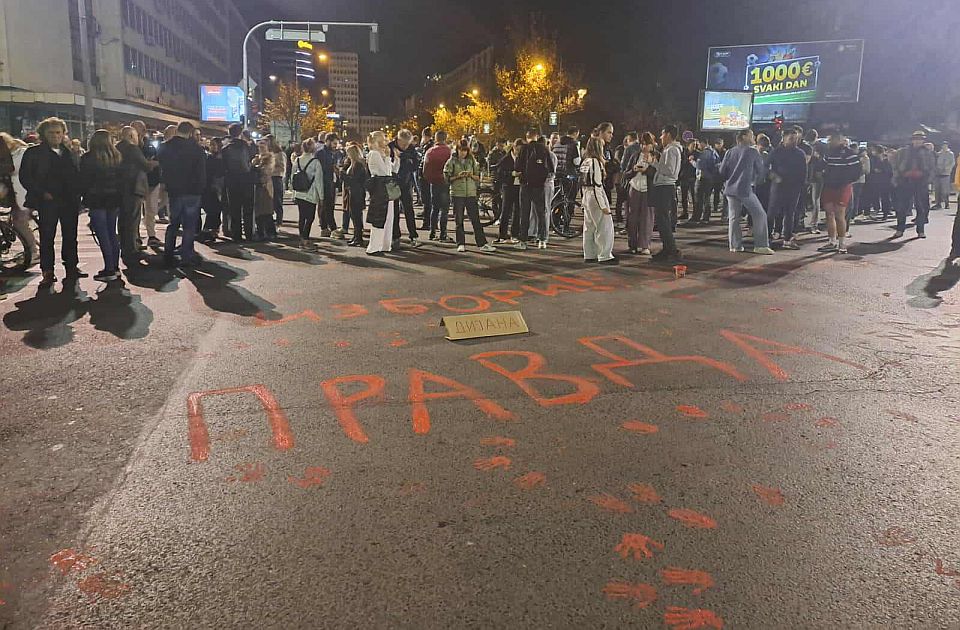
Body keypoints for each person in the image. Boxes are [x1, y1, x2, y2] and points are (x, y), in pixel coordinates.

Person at [18, 117, 84, 286]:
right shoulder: (33, 153)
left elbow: (78, 175)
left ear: (63, 134)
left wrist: (78, 194)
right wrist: (41, 193)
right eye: (51, 133)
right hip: (47, 201)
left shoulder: (70, 152)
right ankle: (47, 271)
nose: (55, 136)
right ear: (43, 134)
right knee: (47, 236)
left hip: (69, 201)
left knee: (71, 235)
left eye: (58, 132)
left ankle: (71, 266)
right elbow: (25, 177)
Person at [157, 121, 206, 267]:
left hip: (175, 190)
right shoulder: (197, 150)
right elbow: (201, 173)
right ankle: (186, 255)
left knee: (174, 223)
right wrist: (200, 189)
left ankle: (168, 253)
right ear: (190, 132)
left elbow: (162, 167)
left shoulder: (165, 147)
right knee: (189, 225)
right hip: (192, 191)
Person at [78, 130, 124, 281]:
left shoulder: (88, 158)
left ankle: (109, 268)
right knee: (112, 233)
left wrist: (83, 198)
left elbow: (83, 181)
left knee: (102, 234)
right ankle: (115, 267)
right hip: (114, 199)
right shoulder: (116, 157)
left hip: (96, 200)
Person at [719, 129, 774, 255]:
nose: (753, 137)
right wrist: (757, 181)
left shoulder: (729, 151)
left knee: (734, 218)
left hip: (730, 189)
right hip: (744, 188)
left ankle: (735, 245)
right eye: (751, 135)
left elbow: (722, 170)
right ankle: (761, 245)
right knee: (760, 214)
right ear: (744, 137)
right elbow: (760, 171)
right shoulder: (752, 151)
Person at [444, 139, 496, 254]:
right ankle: (461, 243)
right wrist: (458, 176)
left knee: (475, 219)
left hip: (471, 193)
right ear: (457, 150)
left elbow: (478, 176)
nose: (463, 153)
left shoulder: (471, 161)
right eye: (461, 150)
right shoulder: (451, 161)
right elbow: (447, 178)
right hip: (458, 193)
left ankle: (482, 243)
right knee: (459, 220)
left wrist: (471, 175)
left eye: (465, 151)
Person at [115, 126, 156, 266]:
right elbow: (145, 166)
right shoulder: (132, 148)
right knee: (132, 220)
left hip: (121, 189)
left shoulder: (117, 147)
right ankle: (132, 249)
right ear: (131, 136)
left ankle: (126, 247)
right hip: (133, 189)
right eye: (137, 136)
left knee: (123, 220)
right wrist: (153, 163)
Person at [817, 132, 862, 254]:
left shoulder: (850, 154)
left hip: (842, 187)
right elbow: (821, 166)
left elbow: (857, 171)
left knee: (839, 214)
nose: (830, 142)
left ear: (840, 140)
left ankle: (842, 244)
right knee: (829, 214)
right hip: (829, 186)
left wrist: (845, 181)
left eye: (832, 140)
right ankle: (832, 241)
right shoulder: (829, 153)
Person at [767, 128, 808, 249]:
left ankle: (787, 239)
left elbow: (804, 171)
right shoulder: (776, 152)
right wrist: (773, 176)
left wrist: (802, 186)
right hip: (778, 187)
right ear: (783, 138)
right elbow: (766, 167)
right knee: (772, 213)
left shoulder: (800, 153)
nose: (794, 141)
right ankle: (767, 237)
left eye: (796, 139)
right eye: (791, 139)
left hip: (793, 188)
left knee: (790, 214)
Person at [1, 132, 39, 261]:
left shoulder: (20, 153)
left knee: (19, 223)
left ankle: (33, 251)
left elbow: (14, 170)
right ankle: (32, 249)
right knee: (19, 222)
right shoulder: (14, 153)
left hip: (21, 192)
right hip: (16, 193)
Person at [893, 130, 936, 239]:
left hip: (921, 182)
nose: (917, 141)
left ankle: (920, 231)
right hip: (905, 181)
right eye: (916, 139)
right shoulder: (904, 151)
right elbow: (896, 164)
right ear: (912, 140)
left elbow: (932, 168)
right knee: (902, 207)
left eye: (920, 139)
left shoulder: (927, 152)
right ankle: (900, 229)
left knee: (921, 207)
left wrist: (927, 178)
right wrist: (900, 175)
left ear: (923, 141)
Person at [580, 136, 616, 265]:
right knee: (604, 226)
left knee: (589, 227)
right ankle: (605, 255)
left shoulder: (585, 161)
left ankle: (589, 254)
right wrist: (603, 205)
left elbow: (583, 183)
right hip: (596, 195)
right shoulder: (595, 162)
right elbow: (596, 185)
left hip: (587, 195)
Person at [651, 125, 683, 261]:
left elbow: (670, 170)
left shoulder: (671, 150)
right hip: (665, 186)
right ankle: (668, 248)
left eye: (662, 134)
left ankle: (671, 250)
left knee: (663, 220)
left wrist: (655, 163)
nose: (660, 137)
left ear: (668, 135)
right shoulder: (670, 150)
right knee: (662, 220)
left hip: (665, 186)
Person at [365, 131, 399, 256]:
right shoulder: (374, 154)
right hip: (380, 187)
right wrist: (386, 158)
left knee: (389, 217)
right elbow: (384, 171)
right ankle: (374, 246)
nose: (386, 141)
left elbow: (393, 170)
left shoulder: (381, 154)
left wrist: (395, 158)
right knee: (380, 217)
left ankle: (385, 244)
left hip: (386, 186)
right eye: (384, 139)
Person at [517, 134, 553, 250]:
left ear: (527, 137)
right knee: (541, 213)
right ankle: (542, 240)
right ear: (536, 137)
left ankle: (523, 240)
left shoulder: (524, 149)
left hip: (526, 184)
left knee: (525, 213)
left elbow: (517, 166)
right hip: (539, 185)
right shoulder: (543, 149)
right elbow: (550, 169)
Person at [221, 123, 255, 242]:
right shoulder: (246, 146)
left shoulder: (225, 149)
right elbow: (251, 160)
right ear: (240, 133)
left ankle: (237, 235)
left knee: (234, 209)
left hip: (232, 181)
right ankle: (249, 233)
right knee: (248, 209)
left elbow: (223, 167)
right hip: (246, 180)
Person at [388, 129, 422, 248]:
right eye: (403, 144)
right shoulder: (390, 147)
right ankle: (395, 236)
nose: (405, 146)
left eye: (407, 144)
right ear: (398, 139)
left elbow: (415, 166)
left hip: (406, 182)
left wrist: (406, 158)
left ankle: (413, 235)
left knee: (409, 209)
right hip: (393, 182)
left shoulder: (411, 149)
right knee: (394, 211)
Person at [624, 132, 657, 255]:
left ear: (652, 145)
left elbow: (657, 174)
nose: (644, 147)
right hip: (635, 187)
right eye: (642, 144)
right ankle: (632, 245)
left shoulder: (656, 156)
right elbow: (626, 173)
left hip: (649, 190)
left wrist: (647, 169)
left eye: (647, 144)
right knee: (632, 218)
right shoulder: (635, 155)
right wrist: (634, 170)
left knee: (647, 218)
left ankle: (645, 245)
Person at [291, 138, 324, 248]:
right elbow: (319, 181)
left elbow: (292, 177)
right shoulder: (315, 162)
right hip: (310, 194)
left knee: (302, 216)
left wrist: (293, 192)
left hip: (299, 193)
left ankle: (302, 238)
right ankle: (305, 239)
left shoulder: (297, 160)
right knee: (310, 218)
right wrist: (321, 196)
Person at [423, 130, 452, 241]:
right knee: (444, 209)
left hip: (434, 182)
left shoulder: (430, 151)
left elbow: (425, 169)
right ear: (445, 138)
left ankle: (432, 232)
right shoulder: (449, 152)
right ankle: (443, 233)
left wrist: (429, 178)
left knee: (434, 208)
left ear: (436, 138)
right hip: (445, 182)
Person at [495, 138, 524, 244]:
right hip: (508, 186)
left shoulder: (522, 158)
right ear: (514, 148)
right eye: (518, 150)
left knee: (518, 211)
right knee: (506, 210)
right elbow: (499, 173)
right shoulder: (506, 159)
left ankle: (514, 234)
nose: (519, 152)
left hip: (519, 186)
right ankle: (502, 234)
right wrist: (511, 173)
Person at [341, 143, 368, 248]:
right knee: (354, 215)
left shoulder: (358, 165)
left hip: (356, 193)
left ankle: (358, 238)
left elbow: (355, 181)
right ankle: (356, 237)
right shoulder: (354, 164)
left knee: (356, 216)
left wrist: (343, 176)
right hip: (354, 192)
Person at [314, 132, 341, 238]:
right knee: (326, 206)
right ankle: (330, 228)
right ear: (328, 141)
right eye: (334, 143)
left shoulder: (330, 153)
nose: (335, 146)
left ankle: (326, 227)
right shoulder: (321, 153)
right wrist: (333, 167)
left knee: (328, 206)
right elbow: (321, 169)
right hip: (324, 182)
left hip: (330, 182)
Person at [691, 138, 722, 224]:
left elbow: (699, 165)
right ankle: (706, 217)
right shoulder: (714, 152)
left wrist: (692, 161)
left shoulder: (705, 153)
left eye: (699, 144)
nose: (698, 146)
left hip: (703, 178)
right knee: (707, 198)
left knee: (699, 198)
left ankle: (697, 217)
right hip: (711, 178)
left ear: (703, 143)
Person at [200, 137, 225, 241]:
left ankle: (213, 229)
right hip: (209, 186)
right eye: (211, 145)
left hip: (218, 185)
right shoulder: (208, 157)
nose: (213, 147)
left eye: (215, 145)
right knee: (212, 208)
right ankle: (210, 229)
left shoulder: (221, 158)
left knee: (216, 209)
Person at [251, 139, 276, 241]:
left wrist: (257, 167)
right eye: (259, 147)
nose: (260, 148)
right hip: (257, 187)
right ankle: (260, 231)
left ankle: (270, 231)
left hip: (265, 186)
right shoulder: (257, 158)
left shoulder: (269, 157)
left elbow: (266, 170)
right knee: (258, 211)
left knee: (267, 211)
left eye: (263, 146)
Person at [266, 135, 286, 231]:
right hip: (267, 179)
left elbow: (282, 168)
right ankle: (270, 222)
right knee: (268, 201)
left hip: (276, 178)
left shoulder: (279, 153)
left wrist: (271, 169)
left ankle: (279, 222)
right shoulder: (267, 153)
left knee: (277, 201)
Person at [808, 144, 827, 233]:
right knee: (815, 202)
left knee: (815, 202)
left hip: (815, 182)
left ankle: (814, 225)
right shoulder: (820, 160)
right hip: (814, 181)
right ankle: (813, 224)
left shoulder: (817, 160)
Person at [678, 138, 698, 221]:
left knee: (694, 197)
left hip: (693, 177)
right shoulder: (683, 153)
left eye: (695, 145)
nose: (694, 146)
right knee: (684, 196)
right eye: (693, 145)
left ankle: (695, 214)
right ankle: (685, 212)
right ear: (688, 145)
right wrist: (688, 160)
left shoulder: (697, 153)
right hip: (684, 177)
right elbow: (681, 164)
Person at [935, 141, 955, 209]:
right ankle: (938, 203)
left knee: (945, 190)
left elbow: (952, 163)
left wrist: (947, 168)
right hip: (938, 173)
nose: (944, 146)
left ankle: (947, 203)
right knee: (937, 189)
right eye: (943, 145)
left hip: (946, 173)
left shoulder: (950, 154)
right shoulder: (938, 154)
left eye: (945, 145)